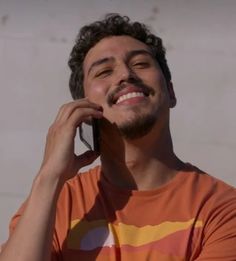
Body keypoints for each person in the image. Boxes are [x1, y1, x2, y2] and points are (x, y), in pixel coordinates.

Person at [0, 13, 236, 261]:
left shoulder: (223, 209)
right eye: (103, 71)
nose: (125, 74)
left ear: (171, 91)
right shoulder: (54, 203)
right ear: (83, 106)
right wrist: (49, 176)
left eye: (141, 64)